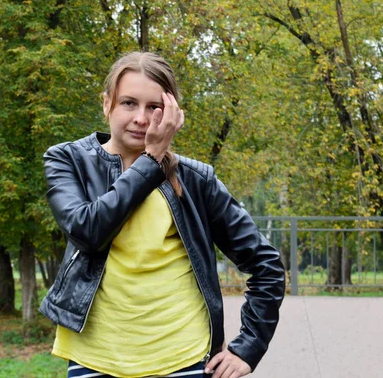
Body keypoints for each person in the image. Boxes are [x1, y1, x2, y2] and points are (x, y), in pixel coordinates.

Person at [39, 52, 285, 378]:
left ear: (172, 113)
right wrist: (151, 159)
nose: (142, 118)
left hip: (183, 358)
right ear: (106, 104)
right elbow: (87, 232)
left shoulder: (196, 180)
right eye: (128, 103)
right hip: (95, 358)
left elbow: (266, 264)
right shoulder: (68, 161)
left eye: (154, 107)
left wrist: (248, 348)